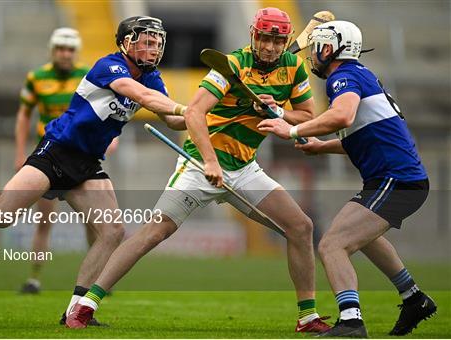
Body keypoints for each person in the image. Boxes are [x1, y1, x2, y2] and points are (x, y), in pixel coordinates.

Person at [66, 8, 331, 334]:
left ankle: (307, 318)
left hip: (245, 168)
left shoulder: (293, 68)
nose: (272, 47)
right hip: (199, 163)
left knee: (301, 227)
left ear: (286, 42)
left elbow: (307, 116)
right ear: (253, 36)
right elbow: (193, 113)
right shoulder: (232, 65)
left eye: (278, 41)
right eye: (265, 38)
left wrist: (279, 112)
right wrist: (209, 161)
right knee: (153, 233)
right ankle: (86, 305)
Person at [0, 15, 185, 326]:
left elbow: (172, 117)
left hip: (86, 165)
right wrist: (182, 109)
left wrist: (199, 114)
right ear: (126, 42)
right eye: (147, 41)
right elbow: (142, 97)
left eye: (157, 43)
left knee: (113, 231)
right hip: (56, 153)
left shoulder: (153, 78)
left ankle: (76, 312)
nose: (153, 49)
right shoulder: (109, 66)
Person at [257, 20, 436, 337]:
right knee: (363, 239)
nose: (312, 56)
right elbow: (363, 136)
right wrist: (321, 147)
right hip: (398, 180)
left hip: (396, 181)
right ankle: (414, 298)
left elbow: (342, 117)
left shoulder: (343, 77)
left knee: (332, 245)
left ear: (329, 48)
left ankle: (351, 321)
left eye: (316, 49)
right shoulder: (360, 76)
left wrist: (293, 129)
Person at [15, 27, 93, 294]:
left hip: (81, 155)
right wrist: (19, 152)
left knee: (94, 219)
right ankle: (34, 278)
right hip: (48, 155)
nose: (65, 54)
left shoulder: (87, 75)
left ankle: (94, 277)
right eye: (60, 48)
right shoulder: (36, 77)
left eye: (70, 49)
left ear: (76, 51)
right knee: (44, 220)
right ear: (52, 50)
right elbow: (24, 114)